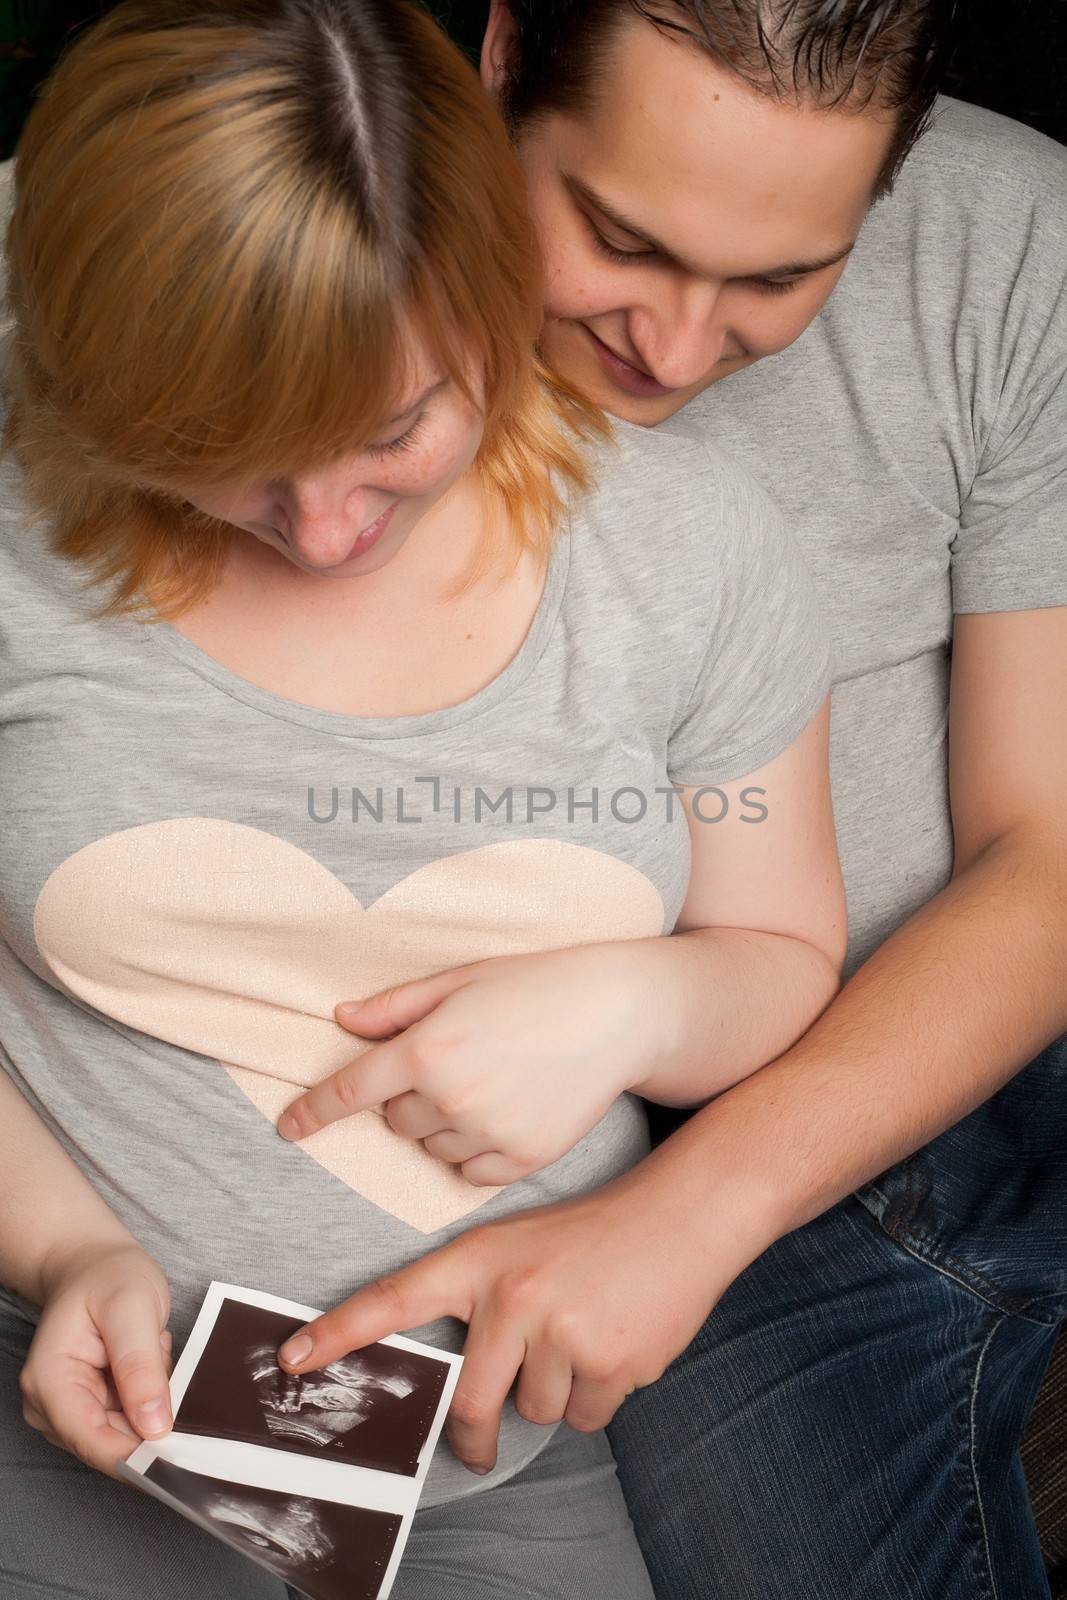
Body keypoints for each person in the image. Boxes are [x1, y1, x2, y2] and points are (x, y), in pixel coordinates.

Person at [0, 2, 845, 1597]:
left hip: (490, 1460)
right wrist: (60, 1248)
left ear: (490, 287)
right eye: (228, 457)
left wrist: (636, 1008)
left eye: (399, 432)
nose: (325, 533)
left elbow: (784, 951)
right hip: (67, 1396)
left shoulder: (695, 557)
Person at [265, 4, 1067, 1596]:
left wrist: (688, 1215)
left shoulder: (1009, 238)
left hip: (857, 1081)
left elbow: (1043, 857)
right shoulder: (257, 223)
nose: (681, 352)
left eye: (782, 279)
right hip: (336, 1102)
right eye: (621, 239)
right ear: (496, 64)